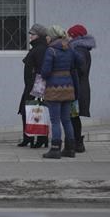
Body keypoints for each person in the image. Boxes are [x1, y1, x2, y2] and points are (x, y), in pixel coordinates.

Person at [40, 25, 81, 159]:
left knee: (55, 120)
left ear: (51, 36)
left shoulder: (51, 50)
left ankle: (55, 149)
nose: (46, 37)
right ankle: (70, 149)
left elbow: (45, 72)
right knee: (67, 120)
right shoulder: (69, 48)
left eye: (47, 35)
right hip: (68, 87)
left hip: (54, 89)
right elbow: (78, 62)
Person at [67, 24, 96, 153]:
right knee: (73, 116)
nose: (67, 37)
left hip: (76, 89)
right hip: (80, 88)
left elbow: (80, 69)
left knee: (72, 116)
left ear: (74, 36)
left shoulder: (78, 50)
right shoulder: (81, 49)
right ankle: (77, 142)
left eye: (69, 35)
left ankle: (77, 142)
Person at [19, 23, 49, 149]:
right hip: (31, 84)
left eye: (32, 34)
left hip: (36, 86)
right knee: (27, 110)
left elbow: (41, 68)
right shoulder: (37, 47)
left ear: (39, 35)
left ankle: (41, 139)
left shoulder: (41, 48)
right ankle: (28, 137)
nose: (30, 36)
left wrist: (35, 84)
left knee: (37, 111)